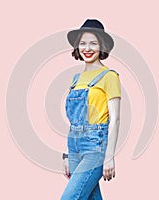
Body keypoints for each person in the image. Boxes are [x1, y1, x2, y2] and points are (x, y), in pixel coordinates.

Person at [61, 19, 121, 200]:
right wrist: (66, 154)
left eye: (93, 43)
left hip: (96, 147)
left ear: (101, 46)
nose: (87, 48)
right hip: (74, 146)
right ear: (77, 47)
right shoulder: (75, 79)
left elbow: (115, 119)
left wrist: (109, 156)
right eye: (83, 43)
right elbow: (74, 120)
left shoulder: (109, 76)